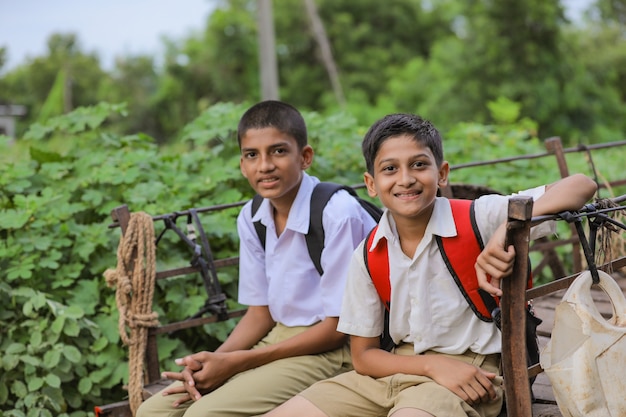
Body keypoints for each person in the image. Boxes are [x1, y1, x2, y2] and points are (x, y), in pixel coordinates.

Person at [264, 113, 598, 417]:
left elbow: (581, 185)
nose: (405, 179)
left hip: (472, 371)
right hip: (398, 369)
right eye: (390, 169)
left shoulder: (476, 217)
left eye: (419, 165)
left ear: (441, 173)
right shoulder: (368, 253)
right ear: (371, 183)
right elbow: (364, 356)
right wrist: (431, 366)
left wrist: (505, 229)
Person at [135, 100, 378, 417]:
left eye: (278, 151)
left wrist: (239, 361)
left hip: (336, 347)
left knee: (204, 414)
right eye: (252, 155)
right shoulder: (252, 216)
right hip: (280, 336)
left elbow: (340, 327)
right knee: (154, 412)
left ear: (304, 157)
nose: (265, 165)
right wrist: (212, 361)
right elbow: (260, 314)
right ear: (242, 164)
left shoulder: (337, 213)